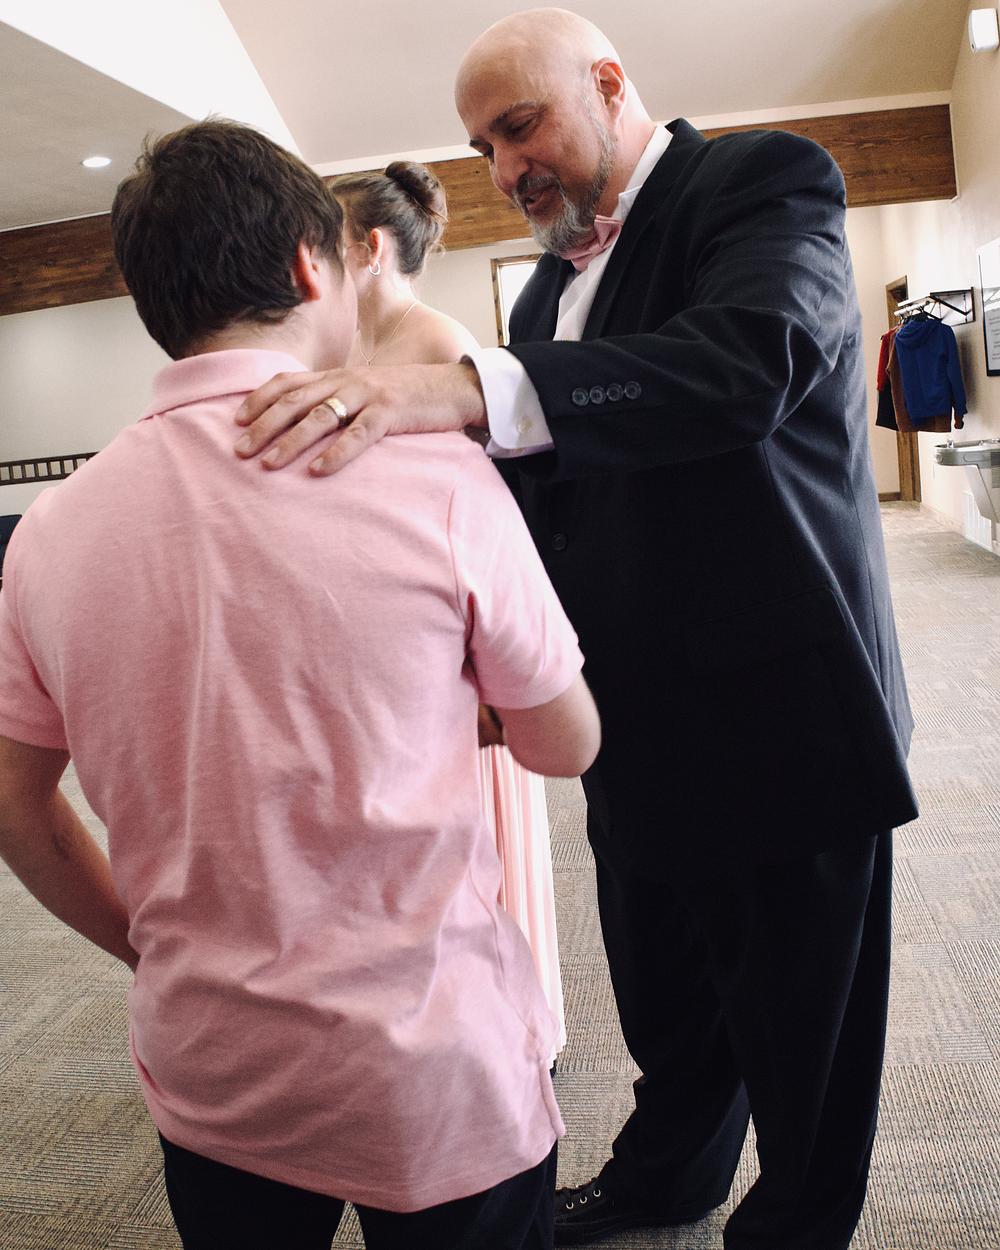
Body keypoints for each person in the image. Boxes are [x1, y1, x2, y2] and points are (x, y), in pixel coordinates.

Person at [232, 9, 920, 1249]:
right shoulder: (551, 285)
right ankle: (666, 1178)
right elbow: (559, 499)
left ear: (607, 85)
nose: (505, 170)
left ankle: (793, 1227)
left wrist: (459, 386)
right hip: (626, 720)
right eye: (484, 149)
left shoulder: (763, 183)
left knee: (803, 1038)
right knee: (667, 1002)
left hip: (781, 715)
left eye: (520, 127)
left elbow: (745, 363)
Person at [0, 118, 602, 1250]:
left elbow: (14, 803)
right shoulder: (435, 474)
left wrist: (146, 943)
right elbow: (565, 744)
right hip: (434, 1062)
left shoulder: (48, 533)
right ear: (309, 266)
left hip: (215, 1062)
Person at [332, 159, 567, 1057]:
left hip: (452, 631)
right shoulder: (339, 352)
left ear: (370, 248)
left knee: (476, 849)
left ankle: (507, 1033)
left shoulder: (441, 344)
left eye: (323, 239)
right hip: (379, 630)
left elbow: (494, 517)